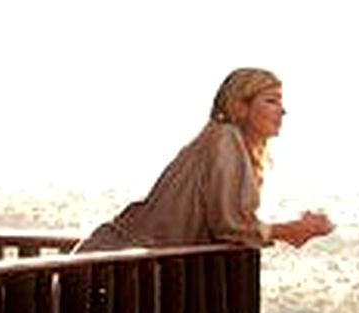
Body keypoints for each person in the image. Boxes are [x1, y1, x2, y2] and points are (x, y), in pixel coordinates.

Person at [76, 67, 334, 251]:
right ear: (241, 106)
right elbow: (230, 225)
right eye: (272, 101)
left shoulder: (225, 142)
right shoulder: (224, 139)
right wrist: (292, 230)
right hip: (115, 263)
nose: (283, 111)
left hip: (120, 262)